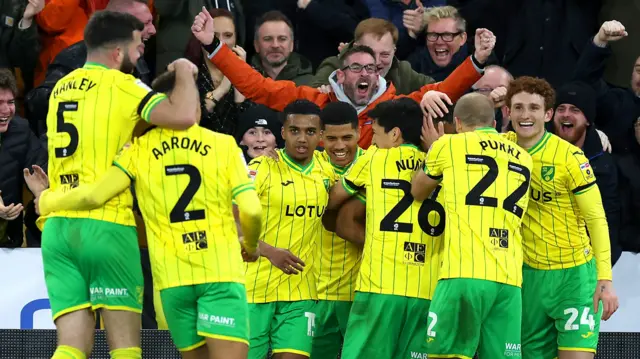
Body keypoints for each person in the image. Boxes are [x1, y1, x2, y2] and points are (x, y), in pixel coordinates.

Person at [28, 70, 262, 359]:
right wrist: (250, 246)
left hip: (172, 283)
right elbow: (251, 209)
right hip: (219, 274)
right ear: (194, 106)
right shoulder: (224, 146)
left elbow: (93, 195)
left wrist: (47, 199)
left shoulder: (136, 153)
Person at [35, 11, 199, 359]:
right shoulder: (125, 86)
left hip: (57, 226)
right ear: (118, 52)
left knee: (70, 347)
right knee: (125, 348)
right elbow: (184, 116)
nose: (141, 53)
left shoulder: (59, 88)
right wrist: (184, 69)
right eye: (139, 45)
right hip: (106, 225)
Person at [191, 7, 496, 149]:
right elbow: (257, 87)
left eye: (371, 68)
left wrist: (479, 60)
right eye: (357, 68)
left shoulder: (394, 106)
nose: (365, 74)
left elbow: (445, 90)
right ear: (339, 73)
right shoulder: (315, 101)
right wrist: (213, 46)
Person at [410, 93, 533, 359]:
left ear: (457, 122)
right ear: (495, 121)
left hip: (464, 273)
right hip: (509, 280)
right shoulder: (524, 157)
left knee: (447, 355)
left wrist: (434, 149)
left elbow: (418, 190)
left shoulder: (449, 145)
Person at [504, 76, 619, 359]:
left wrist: (605, 280)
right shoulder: (499, 149)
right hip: (527, 278)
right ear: (507, 112)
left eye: (533, 108)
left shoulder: (569, 158)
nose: (525, 115)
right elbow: (464, 135)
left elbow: (597, 219)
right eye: (518, 107)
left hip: (574, 277)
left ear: (548, 114)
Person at [323, 98, 440, 359]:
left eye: (375, 133)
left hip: (380, 285)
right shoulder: (440, 165)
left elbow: (332, 200)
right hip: (428, 290)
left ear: (395, 134)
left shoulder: (376, 158)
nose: (372, 142)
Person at [242, 100, 336, 359]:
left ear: (320, 135)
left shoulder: (326, 170)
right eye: (294, 131)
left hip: (301, 290)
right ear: (282, 133)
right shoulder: (261, 168)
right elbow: (231, 221)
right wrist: (270, 252)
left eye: (310, 131)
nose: (302, 138)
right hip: (253, 289)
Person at [26, 0, 157, 137]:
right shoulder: (75, 58)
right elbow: (38, 102)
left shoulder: (137, 58)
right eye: (146, 23)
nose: (153, 30)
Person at [552, 82, 622, 267]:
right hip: (543, 260)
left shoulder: (603, 163)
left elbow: (609, 219)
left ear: (588, 120)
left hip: (584, 264)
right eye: (561, 108)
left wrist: (601, 270)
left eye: (575, 109)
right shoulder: (538, 150)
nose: (566, 114)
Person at [310, 18, 436, 95]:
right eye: (369, 52)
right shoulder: (334, 66)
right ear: (355, 47)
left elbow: (435, 88)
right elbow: (313, 92)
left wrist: (429, 95)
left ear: (394, 51)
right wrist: (323, 94)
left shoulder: (402, 71)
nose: (376, 62)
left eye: (385, 54)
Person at [184, 8, 250, 135]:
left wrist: (239, 81)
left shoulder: (253, 75)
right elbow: (186, 121)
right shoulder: (184, 73)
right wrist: (220, 91)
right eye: (214, 35)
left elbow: (252, 127)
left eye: (228, 35)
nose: (221, 42)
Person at [0, 69, 47, 248]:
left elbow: (39, 162)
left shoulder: (21, 130)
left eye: (11, 102)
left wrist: (44, 188)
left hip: (9, 238)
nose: (6, 110)